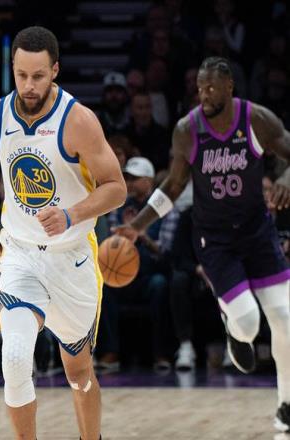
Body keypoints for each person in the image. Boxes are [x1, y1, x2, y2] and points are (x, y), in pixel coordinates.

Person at [115, 56, 290, 433]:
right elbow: (174, 185)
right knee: (249, 323)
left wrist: (285, 179)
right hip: (216, 239)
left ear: (229, 87)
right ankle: (233, 326)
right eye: (200, 88)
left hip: (257, 233)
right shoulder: (187, 129)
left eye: (211, 87)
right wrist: (138, 226)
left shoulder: (257, 119)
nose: (204, 94)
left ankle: (286, 405)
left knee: (285, 318)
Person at [0, 26, 126, 440]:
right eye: (21, 75)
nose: (29, 85)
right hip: (20, 253)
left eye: (38, 76)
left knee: (78, 374)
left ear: (55, 70)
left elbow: (117, 187)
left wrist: (72, 215)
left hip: (71, 257)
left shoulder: (79, 121)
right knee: (15, 359)